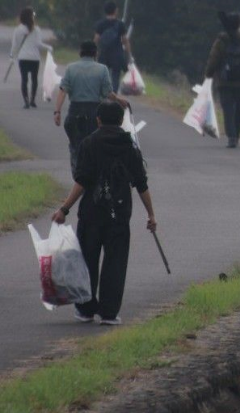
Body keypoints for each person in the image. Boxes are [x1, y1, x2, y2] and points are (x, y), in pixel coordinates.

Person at [52, 101, 157, 326]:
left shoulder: (89, 143)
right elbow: (141, 184)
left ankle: (86, 309)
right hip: (119, 214)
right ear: (121, 120)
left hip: (91, 214)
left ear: (98, 119)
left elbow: (81, 182)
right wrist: (151, 215)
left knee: (87, 261)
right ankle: (109, 313)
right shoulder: (130, 146)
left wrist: (64, 209)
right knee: (115, 262)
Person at [54, 41, 127, 178]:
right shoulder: (102, 69)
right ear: (95, 53)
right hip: (95, 113)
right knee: (95, 146)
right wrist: (119, 100)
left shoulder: (71, 68)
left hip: (74, 112)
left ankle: (78, 179)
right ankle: (94, 177)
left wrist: (57, 111)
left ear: (80, 53)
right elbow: (108, 93)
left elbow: (62, 91)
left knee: (76, 147)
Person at [204, 11, 240, 148]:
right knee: (239, 111)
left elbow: (213, 60)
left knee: (228, 110)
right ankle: (236, 135)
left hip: (224, 83)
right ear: (239, 25)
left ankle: (231, 137)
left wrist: (208, 76)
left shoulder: (220, 42)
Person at [9, 6, 52, 109]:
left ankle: (26, 101)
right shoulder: (36, 29)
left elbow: (15, 45)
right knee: (34, 79)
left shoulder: (18, 29)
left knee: (24, 79)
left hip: (23, 58)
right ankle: (33, 100)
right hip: (34, 58)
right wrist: (48, 47)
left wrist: (12, 56)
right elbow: (38, 44)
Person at [93, 1, 133, 93]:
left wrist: (93, 53)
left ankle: (101, 96)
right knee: (115, 78)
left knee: (102, 77)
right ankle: (113, 98)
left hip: (103, 54)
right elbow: (125, 41)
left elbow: (96, 39)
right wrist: (129, 55)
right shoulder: (120, 24)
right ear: (115, 11)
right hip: (116, 55)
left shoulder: (100, 24)